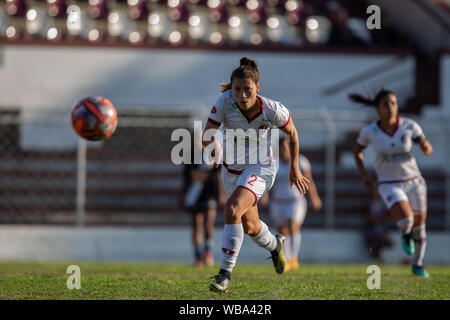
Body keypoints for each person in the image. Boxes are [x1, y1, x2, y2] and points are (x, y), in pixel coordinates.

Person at [201, 57, 310, 293]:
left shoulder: (272, 109)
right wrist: (214, 146)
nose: (241, 95)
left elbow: (292, 133)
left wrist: (294, 168)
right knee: (250, 226)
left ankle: (224, 274)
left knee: (231, 210)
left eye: (247, 90)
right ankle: (275, 245)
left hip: (261, 168)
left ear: (257, 88)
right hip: (231, 170)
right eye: (237, 89)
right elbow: (206, 136)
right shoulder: (224, 101)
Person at [352, 89, 433, 278]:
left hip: (415, 181)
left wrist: (427, 148)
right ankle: (405, 233)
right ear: (378, 109)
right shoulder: (370, 131)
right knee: (407, 220)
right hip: (389, 183)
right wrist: (364, 174)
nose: (391, 108)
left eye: (394, 103)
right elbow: (357, 151)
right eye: (386, 104)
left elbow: (423, 143)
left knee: (420, 227)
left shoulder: (409, 125)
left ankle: (418, 264)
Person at [269, 135, 322, 271]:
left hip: (295, 201)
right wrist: (265, 195)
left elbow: (309, 181)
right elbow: (269, 182)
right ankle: (286, 259)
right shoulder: (274, 163)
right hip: (278, 202)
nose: (285, 149)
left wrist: (314, 197)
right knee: (282, 230)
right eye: (282, 147)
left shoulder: (301, 162)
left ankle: (294, 257)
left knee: (293, 225)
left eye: (287, 146)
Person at [183, 131, 225, 268]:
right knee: (197, 223)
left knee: (209, 222)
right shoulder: (190, 155)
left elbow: (219, 174)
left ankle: (208, 251)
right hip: (195, 193)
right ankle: (197, 256)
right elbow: (189, 175)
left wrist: (222, 193)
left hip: (210, 192)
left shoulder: (212, 154)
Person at [363, 186, 393, 263]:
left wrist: (377, 219)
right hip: (371, 231)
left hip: (381, 230)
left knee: (387, 241)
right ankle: (376, 256)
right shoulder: (368, 203)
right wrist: (378, 219)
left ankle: (376, 256)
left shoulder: (384, 204)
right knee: (375, 242)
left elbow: (387, 217)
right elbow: (367, 217)